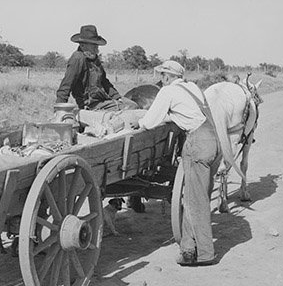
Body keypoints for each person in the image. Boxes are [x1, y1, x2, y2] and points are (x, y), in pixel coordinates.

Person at [137, 60, 221, 266]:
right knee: (198, 196)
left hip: (197, 143)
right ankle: (188, 249)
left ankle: (205, 253)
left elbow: (149, 122)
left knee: (195, 201)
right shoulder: (192, 88)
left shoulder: (167, 92)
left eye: (162, 75)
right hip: (213, 140)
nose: (161, 79)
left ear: (167, 76)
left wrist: (137, 122)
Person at [56, 25, 133, 111]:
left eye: (96, 45)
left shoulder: (95, 59)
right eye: (93, 45)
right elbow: (66, 85)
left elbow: (104, 81)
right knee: (131, 107)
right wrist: (60, 110)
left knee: (131, 104)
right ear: (82, 45)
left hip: (102, 101)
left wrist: (117, 97)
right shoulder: (77, 58)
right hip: (91, 105)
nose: (96, 48)